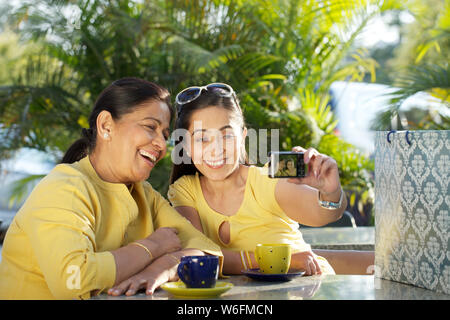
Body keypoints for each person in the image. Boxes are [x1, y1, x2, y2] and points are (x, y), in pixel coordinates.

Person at [0, 78, 222, 300]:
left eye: (165, 135)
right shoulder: (64, 187)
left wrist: (163, 267)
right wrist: (153, 246)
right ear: (106, 125)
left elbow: (206, 251)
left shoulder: (143, 194)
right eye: (150, 127)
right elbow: (74, 280)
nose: (162, 145)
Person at [167, 83, 374, 276]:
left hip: (309, 290)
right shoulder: (185, 190)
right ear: (186, 146)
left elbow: (324, 214)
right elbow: (199, 256)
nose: (216, 148)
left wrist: (330, 191)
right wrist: (281, 260)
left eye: (227, 136)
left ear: (243, 137)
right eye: (202, 138)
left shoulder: (266, 179)